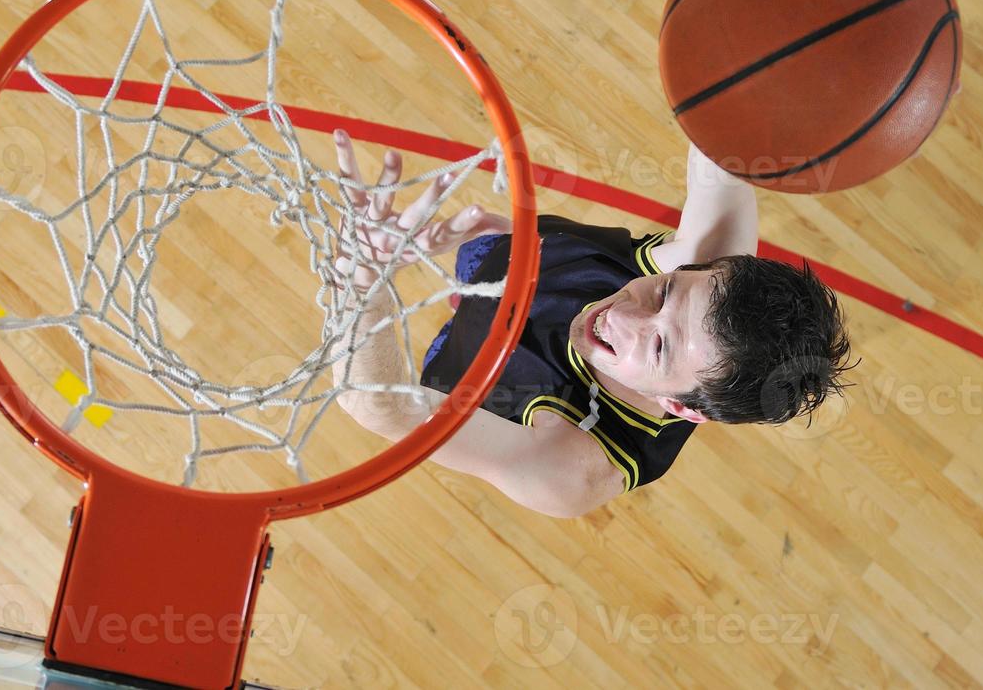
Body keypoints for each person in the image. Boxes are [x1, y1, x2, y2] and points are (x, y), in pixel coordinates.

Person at [327, 129, 857, 518]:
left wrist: (365, 277)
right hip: (524, 266)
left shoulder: (573, 469)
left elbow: (381, 404)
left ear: (678, 406)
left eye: (658, 349)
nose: (621, 314)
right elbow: (721, 113)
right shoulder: (714, 269)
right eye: (663, 290)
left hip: (479, 372)